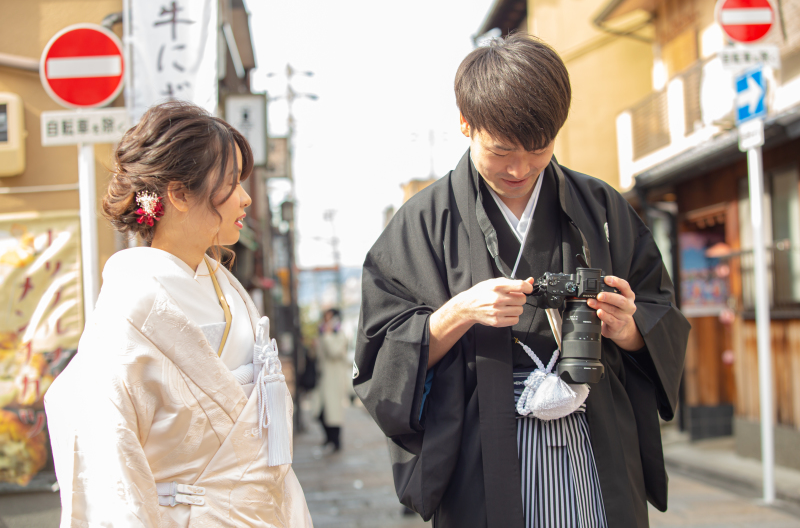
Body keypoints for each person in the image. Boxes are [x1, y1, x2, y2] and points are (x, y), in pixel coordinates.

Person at [354, 34, 689, 528]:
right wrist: (458, 313)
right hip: (482, 447)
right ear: (465, 124)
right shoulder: (422, 221)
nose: (520, 168)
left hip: (593, 440)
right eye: (501, 150)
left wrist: (630, 329)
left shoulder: (602, 207)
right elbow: (381, 358)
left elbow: (660, 313)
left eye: (540, 149)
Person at [44, 101, 313, 527]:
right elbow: (111, 462)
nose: (244, 197)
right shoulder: (128, 311)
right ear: (179, 193)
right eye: (230, 182)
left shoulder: (226, 288)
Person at [316, 308, 348, 451]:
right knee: (320, 412)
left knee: (333, 412)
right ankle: (329, 439)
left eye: (329, 318)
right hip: (324, 380)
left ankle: (336, 442)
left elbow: (334, 352)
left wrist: (327, 335)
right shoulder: (324, 334)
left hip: (335, 380)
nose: (326, 320)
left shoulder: (339, 334)